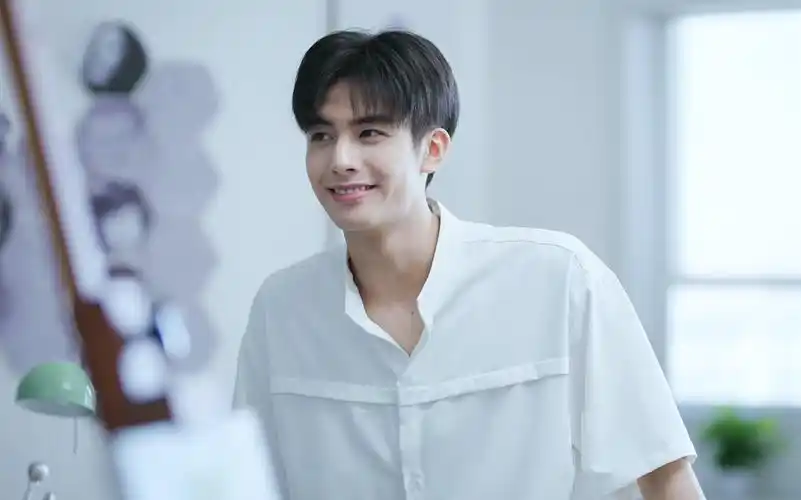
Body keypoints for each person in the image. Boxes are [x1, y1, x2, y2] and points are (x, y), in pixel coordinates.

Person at [234, 29, 705, 500]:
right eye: (321, 135)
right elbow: (246, 485)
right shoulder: (282, 309)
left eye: (369, 133)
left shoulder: (561, 279)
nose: (340, 159)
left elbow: (665, 478)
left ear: (433, 149)